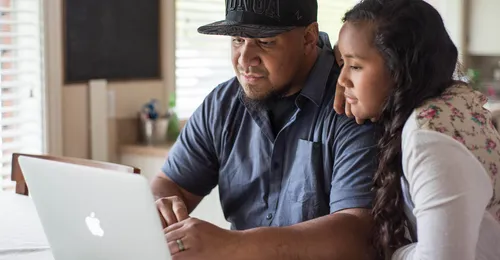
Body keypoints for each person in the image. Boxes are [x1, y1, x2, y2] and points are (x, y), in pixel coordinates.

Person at [150, 0, 381, 259]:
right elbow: (170, 184)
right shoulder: (222, 104)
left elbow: (357, 234)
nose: (245, 59)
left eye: (265, 42)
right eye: (238, 40)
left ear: (308, 38)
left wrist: (233, 245)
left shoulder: (352, 102)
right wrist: (161, 205)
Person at [333, 0, 500, 259]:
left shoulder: (429, 138)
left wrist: (394, 254)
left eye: (354, 66)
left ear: (399, 70)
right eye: (341, 63)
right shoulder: (450, 101)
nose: (342, 79)